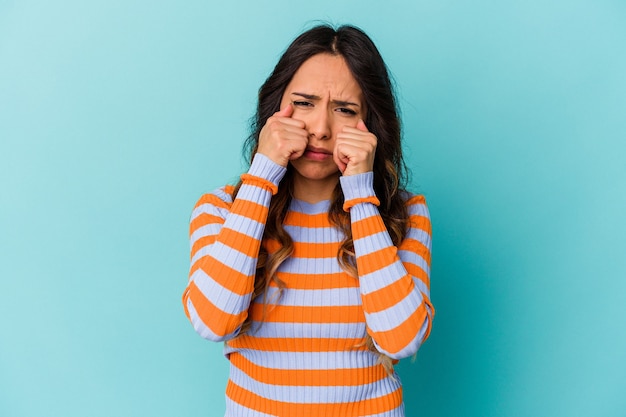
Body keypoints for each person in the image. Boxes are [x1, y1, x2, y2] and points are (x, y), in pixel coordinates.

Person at [182, 24, 434, 417]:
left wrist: (362, 199)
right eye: (303, 103)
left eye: (345, 110)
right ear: (274, 110)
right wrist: (262, 175)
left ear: (371, 123)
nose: (320, 129)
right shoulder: (220, 209)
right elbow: (213, 322)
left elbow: (401, 339)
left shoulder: (406, 213)